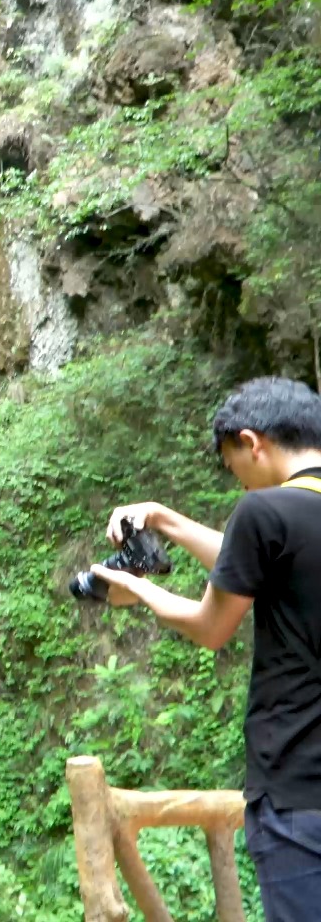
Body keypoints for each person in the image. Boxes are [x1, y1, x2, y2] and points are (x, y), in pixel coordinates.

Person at [88, 376, 321, 919]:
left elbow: (210, 626)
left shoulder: (265, 514)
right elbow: (258, 562)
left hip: (298, 792)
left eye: (233, 463)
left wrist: (139, 589)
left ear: (252, 441)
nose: (239, 482)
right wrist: (167, 520)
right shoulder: (288, 521)